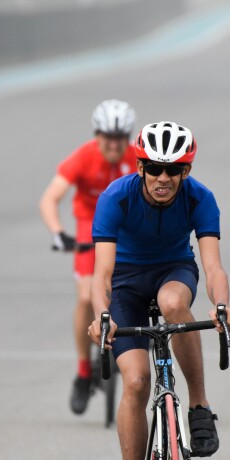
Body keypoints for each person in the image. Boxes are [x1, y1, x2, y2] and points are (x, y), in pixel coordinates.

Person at [87, 121, 230, 460]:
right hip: (125, 286)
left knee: (177, 304)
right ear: (140, 167)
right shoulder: (115, 198)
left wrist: (222, 307)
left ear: (185, 172)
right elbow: (100, 274)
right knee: (136, 382)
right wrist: (103, 316)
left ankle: (199, 408)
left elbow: (212, 267)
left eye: (173, 170)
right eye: (154, 168)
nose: (162, 178)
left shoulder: (200, 198)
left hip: (174, 272)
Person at [39, 99, 137, 414]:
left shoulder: (138, 158)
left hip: (125, 231)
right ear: (97, 135)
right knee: (85, 298)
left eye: (119, 137)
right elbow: (50, 198)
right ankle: (83, 373)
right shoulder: (84, 156)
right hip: (89, 230)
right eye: (107, 136)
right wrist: (57, 232)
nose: (112, 143)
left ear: (127, 137)